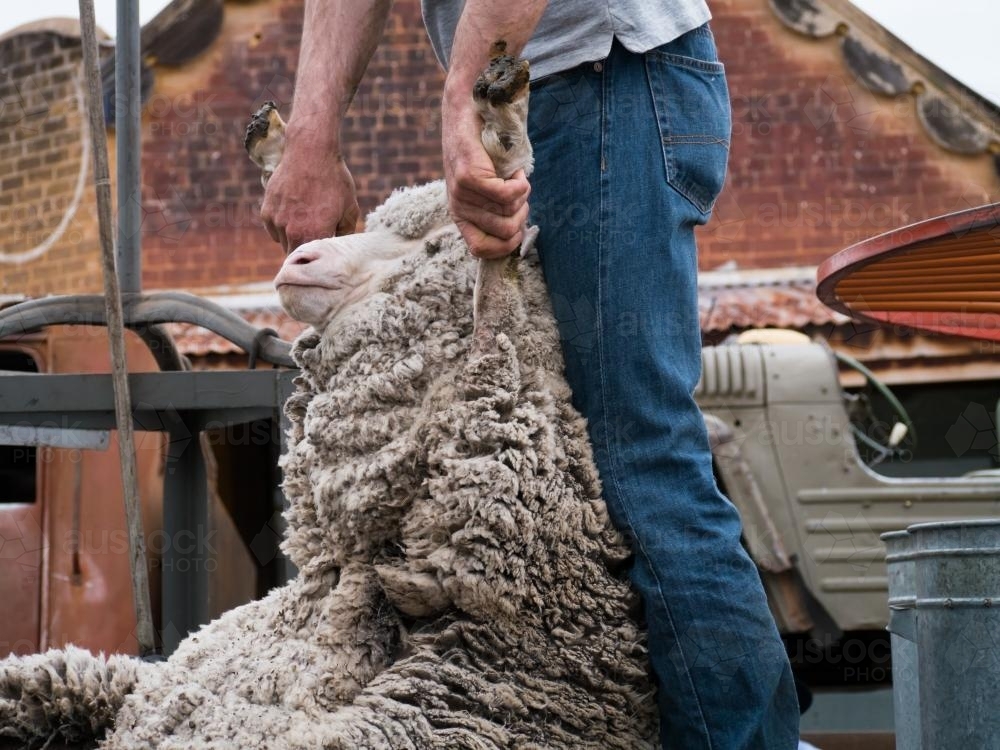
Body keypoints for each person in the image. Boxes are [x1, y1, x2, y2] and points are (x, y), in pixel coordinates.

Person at [261, 1, 800, 746]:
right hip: (521, 85)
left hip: (612, 80)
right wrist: (311, 138)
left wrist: (466, 103)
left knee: (634, 456)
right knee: (564, 467)